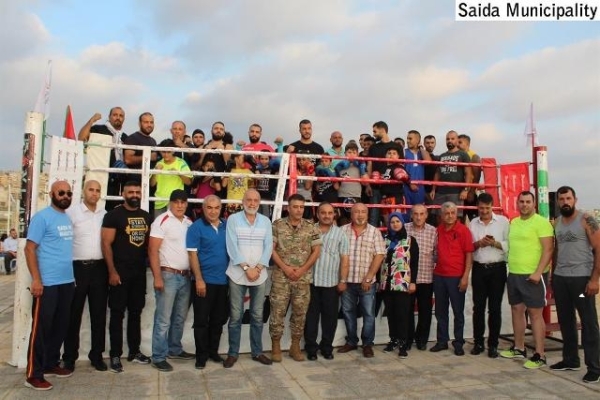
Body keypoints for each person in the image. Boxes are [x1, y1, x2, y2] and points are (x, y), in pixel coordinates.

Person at [24, 181, 75, 390]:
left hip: (66, 282)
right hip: (47, 283)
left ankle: (50, 363)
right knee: (41, 329)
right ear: (52, 194)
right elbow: (29, 249)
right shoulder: (42, 217)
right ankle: (33, 375)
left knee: (60, 327)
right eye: (61, 193)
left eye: (69, 193)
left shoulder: (67, 217)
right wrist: (36, 279)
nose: (65, 196)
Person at [102, 181, 153, 373]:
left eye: (137, 192)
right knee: (117, 314)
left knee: (135, 313)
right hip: (119, 272)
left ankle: (134, 351)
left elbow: (149, 246)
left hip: (139, 273)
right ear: (123, 194)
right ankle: (115, 354)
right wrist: (112, 271)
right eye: (131, 192)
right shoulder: (113, 215)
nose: (134, 195)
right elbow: (106, 244)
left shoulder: (146, 216)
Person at [550, 186, 600, 383]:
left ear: (575, 200)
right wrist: (553, 275)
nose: (565, 202)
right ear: (558, 202)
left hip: (581, 280)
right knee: (565, 319)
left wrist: (594, 279)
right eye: (561, 199)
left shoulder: (586, 219)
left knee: (588, 321)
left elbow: (598, 248)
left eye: (568, 198)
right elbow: (556, 249)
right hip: (561, 279)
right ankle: (570, 359)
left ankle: (594, 367)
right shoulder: (557, 223)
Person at [500, 191, 554, 369]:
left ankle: (540, 355)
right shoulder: (514, 222)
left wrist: (538, 272)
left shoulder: (542, 223)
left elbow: (548, 249)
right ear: (517, 204)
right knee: (517, 310)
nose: (524, 205)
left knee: (535, 313)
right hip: (514, 273)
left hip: (533, 275)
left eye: (528, 201)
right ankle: (519, 347)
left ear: (534, 204)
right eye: (521, 201)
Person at [62, 180, 109, 372]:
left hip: (99, 268)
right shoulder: (71, 213)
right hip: (77, 268)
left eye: (97, 190)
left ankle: (96, 355)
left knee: (99, 314)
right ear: (83, 191)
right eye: (91, 189)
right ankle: (69, 357)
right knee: (73, 315)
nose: (94, 193)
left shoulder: (104, 214)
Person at [224, 189, 274, 368]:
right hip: (238, 274)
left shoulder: (266, 221)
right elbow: (231, 247)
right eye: (249, 200)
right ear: (243, 201)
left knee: (257, 316)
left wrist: (258, 268)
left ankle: (257, 352)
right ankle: (232, 353)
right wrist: (246, 268)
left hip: (259, 275)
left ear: (259, 203)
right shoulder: (233, 219)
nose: (252, 203)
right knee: (235, 316)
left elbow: (268, 247)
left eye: (255, 200)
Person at [270, 194, 322, 362]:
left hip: (302, 279)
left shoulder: (311, 227)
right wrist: (285, 268)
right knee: (277, 312)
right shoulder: (277, 225)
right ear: (288, 207)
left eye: (301, 207)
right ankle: (275, 346)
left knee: (300, 314)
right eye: (295, 207)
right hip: (281, 278)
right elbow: (271, 249)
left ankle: (295, 346)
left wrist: (302, 270)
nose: (299, 210)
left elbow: (316, 251)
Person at [149, 189, 194, 372]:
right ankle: (158, 356)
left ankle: (174, 349)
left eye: (183, 202)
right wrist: (157, 277)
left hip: (185, 276)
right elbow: (152, 250)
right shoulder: (162, 221)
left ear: (187, 204)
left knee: (179, 317)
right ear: (170, 203)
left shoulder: (189, 222)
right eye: (176, 202)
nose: (180, 205)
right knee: (163, 319)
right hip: (168, 275)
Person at [186, 195, 229, 369]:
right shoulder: (196, 227)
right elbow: (192, 255)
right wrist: (199, 279)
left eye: (216, 207)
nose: (213, 211)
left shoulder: (227, 225)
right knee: (201, 321)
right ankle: (201, 356)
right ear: (203, 209)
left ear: (221, 209)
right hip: (204, 281)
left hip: (223, 281)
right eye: (209, 207)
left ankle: (213, 352)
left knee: (218, 320)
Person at [338, 203, 386, 358]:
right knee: (348, 312)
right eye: (356, 212)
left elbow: (379, 255)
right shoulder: (342, 231)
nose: (360, 215)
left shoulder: (374, 232)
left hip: (367, 282)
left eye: (363, 212)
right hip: (347, 281)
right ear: (351, 214)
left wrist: (369, 277)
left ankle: (367, 344)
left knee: (368, 314)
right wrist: (341, 279)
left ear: (367, 214)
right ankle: (351, 341)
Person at [304, 202, 349, 361]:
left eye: (330, 213)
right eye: (323, 213)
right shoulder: (309, 230)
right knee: (311, 318)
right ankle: (311, 348)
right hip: (311, 282)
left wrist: (343, 280)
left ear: (334, 214)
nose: (327, 216)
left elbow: (344, 259)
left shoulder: (340, 234)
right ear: (317, 214)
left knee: (330, 319)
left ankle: (327, 348)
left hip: (331, 284)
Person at [429, 202, 474, 356]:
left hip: (456, 277)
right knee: (440, 311)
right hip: (439, 276)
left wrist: (465, 277)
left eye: (452, 213)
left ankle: (458, 342)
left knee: (458, 312)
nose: (449, 216)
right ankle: (442, 341)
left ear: (457, 214)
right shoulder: (437, 230)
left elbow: (469, 254)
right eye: (446, 213)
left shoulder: (464, 231)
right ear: (441, 215)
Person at [468, 193, 509, 358]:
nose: (484, 211)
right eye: (481, 208)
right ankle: (478, 343)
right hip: (479, 268)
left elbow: (510, 244)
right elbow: (469, 246)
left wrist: (494, 243)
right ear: (477, 207)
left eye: (487, 208)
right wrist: (480, 243)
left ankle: (493, 345)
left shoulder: (503, 222)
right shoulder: (473, 223)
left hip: (497, 268)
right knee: (478, 308)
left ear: (492, 206)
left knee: (495, 308)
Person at [380, 212, 419, 358]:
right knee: (391, 314)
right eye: (392, 222)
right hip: (387, 283)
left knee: (402, 314)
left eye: (398, 221)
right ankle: (393, 340)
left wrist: (413, 282)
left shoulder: (410, 240)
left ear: (402, 223)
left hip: (402, 283)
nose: (395, 224)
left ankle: (403, 343)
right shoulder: (384, 240)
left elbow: (414, 263)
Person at [78, 107, 128, 210]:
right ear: (109, 117)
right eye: (115, 115)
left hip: (118, 181)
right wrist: (92, 120)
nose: (118, 117)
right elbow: (81, 138)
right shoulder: (99, 129)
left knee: (114, 211)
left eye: (121, 115)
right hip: (100, 177)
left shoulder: (124, 137)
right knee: (97, 209)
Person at [405, 204, 437, 351]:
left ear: (426, 215)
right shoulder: (405, 228)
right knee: (407, 310)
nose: (418, 217)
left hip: (426, 277)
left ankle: (422, 340)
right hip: (408, 278)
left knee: (425, 311)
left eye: (422, 214)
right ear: (411, 215)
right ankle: (407, 339)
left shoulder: (433, 231)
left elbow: (436, 253)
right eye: (416, 214)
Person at [430, 131, 473, 221]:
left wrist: (466, 190)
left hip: (456, 193)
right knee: (439, 217)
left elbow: (468, 173)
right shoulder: (441, 156)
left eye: (452, 139)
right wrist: (433, 189)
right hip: (440, 192)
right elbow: (437, 173)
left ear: (457, 140)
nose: (450, 141)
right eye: (448, 139)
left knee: (455, 218)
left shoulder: (463, 154)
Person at [150, 139, 193, 216]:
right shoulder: (158, 164)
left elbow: (189, 182)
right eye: (163, 152)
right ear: (160, 151)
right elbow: (152, 184)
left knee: (175, 223)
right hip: (160, 202)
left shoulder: (181, 163)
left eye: (169, 152)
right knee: (159, 224)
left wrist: (178, 174)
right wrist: (155, 172)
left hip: (175, 202)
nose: (166, 154)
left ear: (173, 151)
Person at [366, 121, 397, 227]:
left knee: (392, 217)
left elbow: (400, 165)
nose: (373, 134)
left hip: (391, 187)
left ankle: (392, 238)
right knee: (373, 216)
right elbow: (369, 165)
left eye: (375, 131)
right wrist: (368, 184)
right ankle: (371, 238)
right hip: (375, 186)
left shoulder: (396, 146)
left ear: (382, 129)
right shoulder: (373, 147)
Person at [404, 130, 432, 207]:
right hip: (406, 187)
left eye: (410, 139)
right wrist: (409, 183)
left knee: (419, 210)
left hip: (420, 189)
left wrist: (421, 147)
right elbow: (401, 170)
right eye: (407, 138)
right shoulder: (404, 152)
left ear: (417, 140)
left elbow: (428, 161)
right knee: (407, 211)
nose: (408, 141)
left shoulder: (422, 153)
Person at [458, 134, 481, 222]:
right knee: (460, 220)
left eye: (460, 142)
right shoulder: (457, 155)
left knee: (474, 220)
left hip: (469, 192)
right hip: (458, 193)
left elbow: (477, 176)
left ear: (467, 144)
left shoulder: (474, 157)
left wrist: (471, 191)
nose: (457, 144)